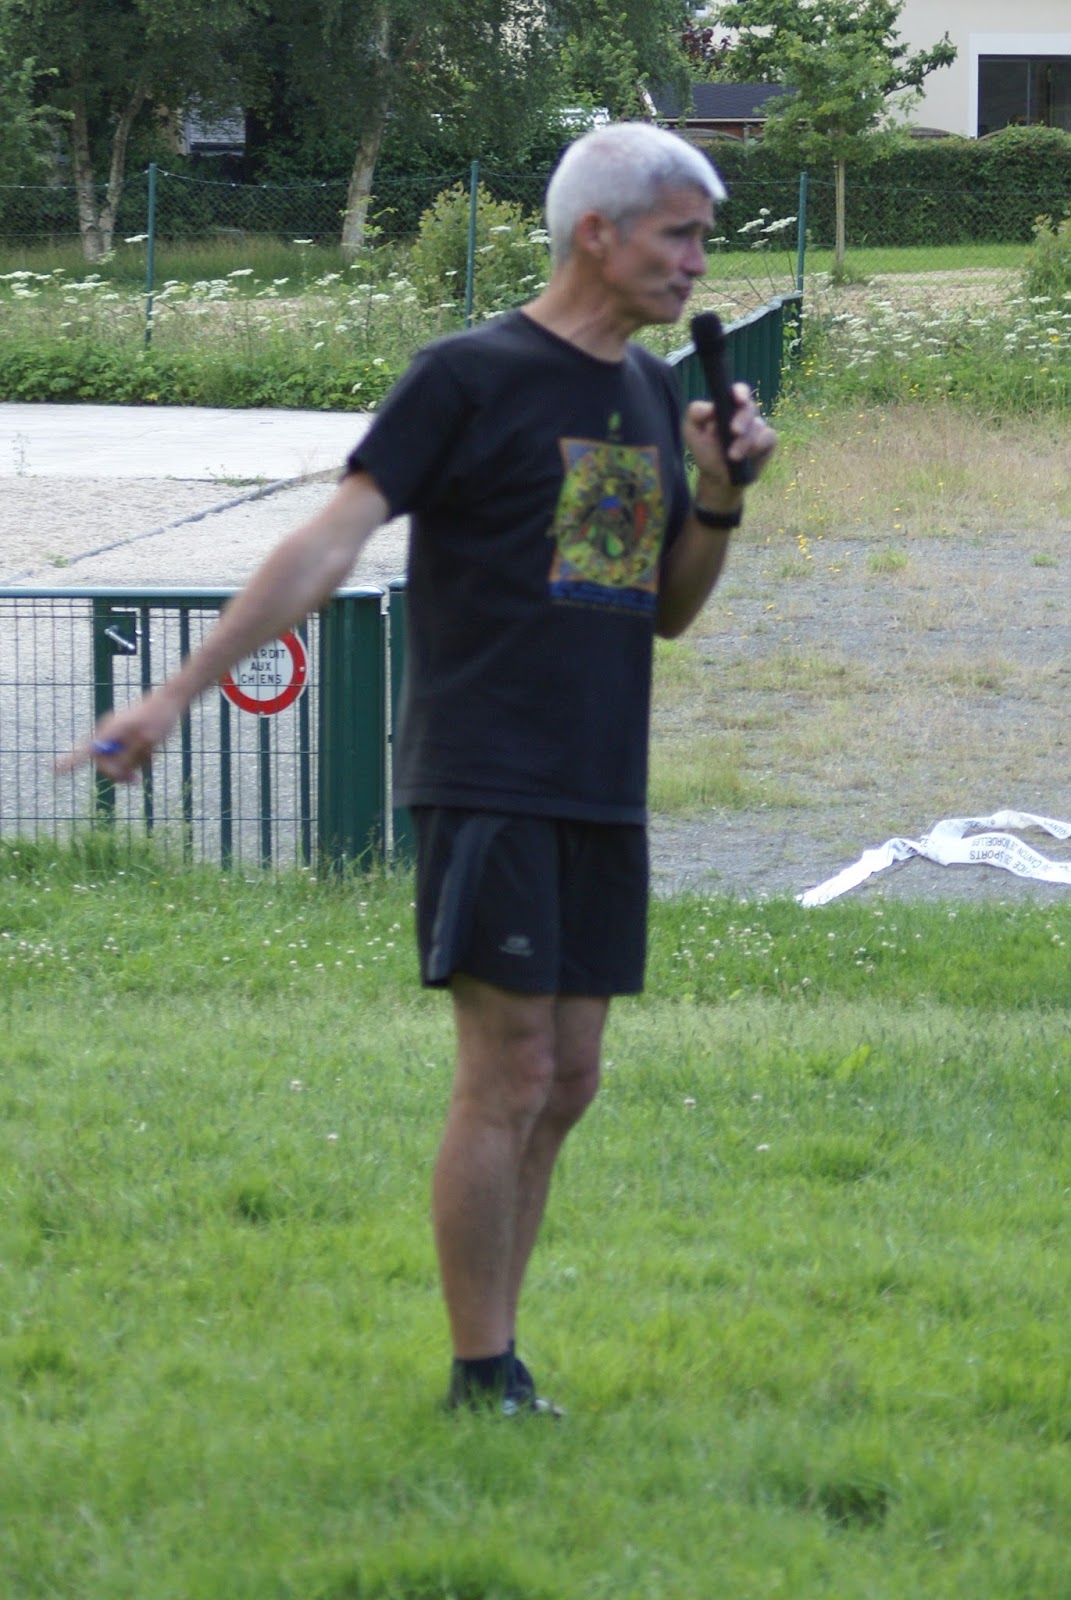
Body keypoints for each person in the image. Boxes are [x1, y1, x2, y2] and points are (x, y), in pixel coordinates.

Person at [60, 122, 777, 1416]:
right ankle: (482, 1371)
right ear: (596, 234)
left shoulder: (645, 390)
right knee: (510, 1070)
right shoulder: (468, 376)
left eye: (702, 240)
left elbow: (663, 609)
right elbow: (328, 543)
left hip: (600, 777)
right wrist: (177, 689)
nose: (697, 261)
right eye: (679, 234)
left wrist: (719, 495)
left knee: (570, 1078)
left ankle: (502, 1358)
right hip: (487, 767)